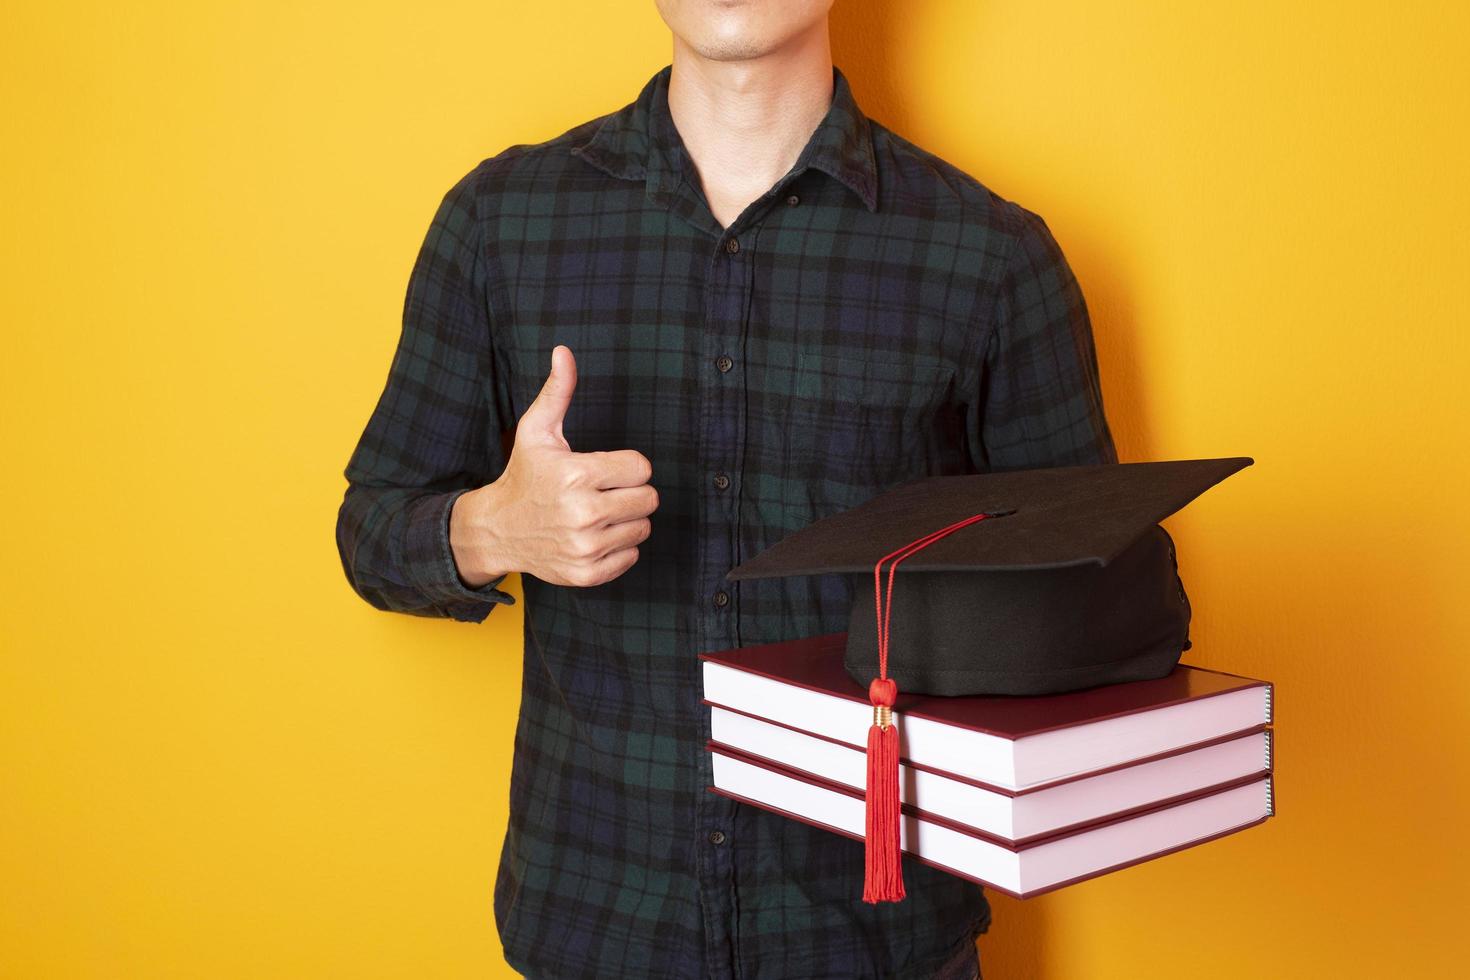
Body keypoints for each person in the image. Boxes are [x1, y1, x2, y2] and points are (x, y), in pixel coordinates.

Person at [335, 1, 1116, 976]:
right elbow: (371, 529)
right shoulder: (500, 221)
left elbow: (1091, 600)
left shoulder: (994, 259)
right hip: (595, 927)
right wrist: (490, 530)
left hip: (877, 945)